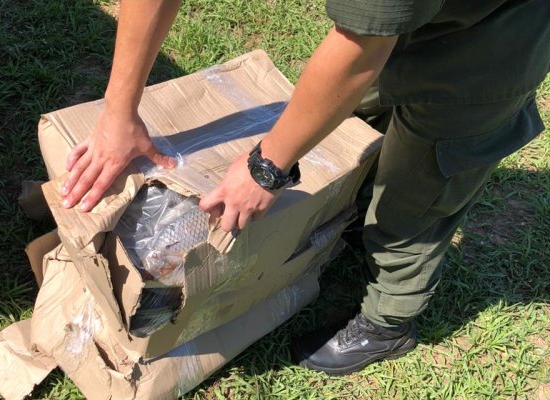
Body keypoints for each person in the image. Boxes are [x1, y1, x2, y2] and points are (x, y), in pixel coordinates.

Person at [60, 0, 549, 375]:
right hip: (409, 19)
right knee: (353, 122)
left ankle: (389, 322)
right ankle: (351, 204)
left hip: (494, 36)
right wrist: (119, 109)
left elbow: (359, 53)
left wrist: (266, 169)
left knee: (417, 195)